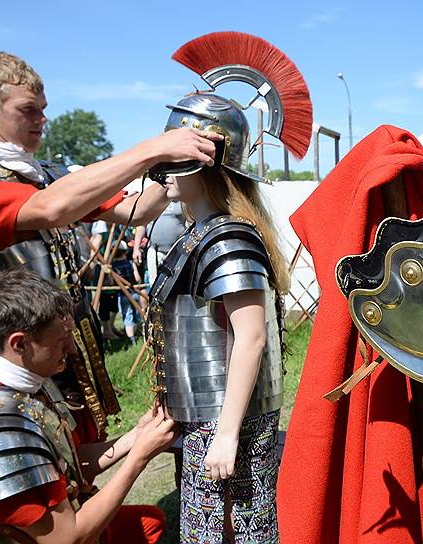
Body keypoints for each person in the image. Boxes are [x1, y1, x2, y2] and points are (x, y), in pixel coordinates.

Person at [0, 50, 222, 441]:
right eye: (28, 109)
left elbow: (135, 210)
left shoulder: (45, 177)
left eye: (43, 109)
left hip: (60, 359)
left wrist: (179, 164)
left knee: (79, 462)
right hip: (12, 378)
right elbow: (50, 208)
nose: (41, 119)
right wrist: (154, 148)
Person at [0, 268, 178, 543]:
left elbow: (71, 466)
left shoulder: (20, 383)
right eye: (62, 340)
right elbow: (67, 539)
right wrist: (139, 457)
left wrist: (137, 436)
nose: (72, 349)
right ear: (19, 344)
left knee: (148, 523)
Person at [146, 93, 293, 542]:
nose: (164, 168)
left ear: (202, 162)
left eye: (174, 154)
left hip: (229, 416)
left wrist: (226, 435)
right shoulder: (202, 232)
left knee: (239, 529)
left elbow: (250, 338)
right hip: (208, 412)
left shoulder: (228, 238)